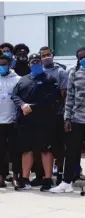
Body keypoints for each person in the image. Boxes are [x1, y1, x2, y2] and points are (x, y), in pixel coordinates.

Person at [50, 47, 85, 193]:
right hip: (77, 117)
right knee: (72, 150)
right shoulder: (74, 73)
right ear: (77, 60)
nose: (84, 59)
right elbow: (69, 97)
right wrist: (67, 118)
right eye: (81, 58)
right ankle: (66, 182)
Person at [11, 53, 59, 191]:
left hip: (44, 121)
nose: (36, 64)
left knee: (46, 150)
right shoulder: (23, 80)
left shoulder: (50, 79)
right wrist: (22, 105)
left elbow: (52, 98)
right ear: (29, 64)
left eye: (38, 61)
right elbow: (15, 95)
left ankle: (48, 179)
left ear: (41, 63)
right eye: (33, 62)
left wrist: (32, 107)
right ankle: (25, 179)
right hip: (25, 121)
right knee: (27, 150)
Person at [39, 46, 68, 186]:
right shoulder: (38, 72)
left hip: (58, 114)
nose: (46, 57)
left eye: (48, 54)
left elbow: (64, 94)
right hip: (43, 116)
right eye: (43, 55)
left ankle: (61, 173)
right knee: (45, 147)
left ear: (53, 55)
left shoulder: (61, 71)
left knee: (59, 146)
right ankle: (45, 176)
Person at [0, 55, 20, 187]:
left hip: (13, 121)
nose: (2, 67)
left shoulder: (17, 79)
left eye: (4, 64)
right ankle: (1, 176)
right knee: (1, 151)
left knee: (15, 150)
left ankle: (16, 176)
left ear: (9, 65)